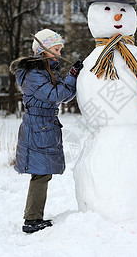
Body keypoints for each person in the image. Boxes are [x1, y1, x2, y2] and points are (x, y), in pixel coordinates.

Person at [9, 29, 83, 233]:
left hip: (44, 125)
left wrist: (72, 77)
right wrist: (72, 77)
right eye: (55, 49)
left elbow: (65, 95)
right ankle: (32, 220)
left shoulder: (47, 71)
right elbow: (56, 94)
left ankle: (33, 218)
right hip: (38, 127)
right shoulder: (34, 74)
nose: (59, 53)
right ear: (41, 50)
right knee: (40, 174)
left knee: (43, 173)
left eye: (60, 49)